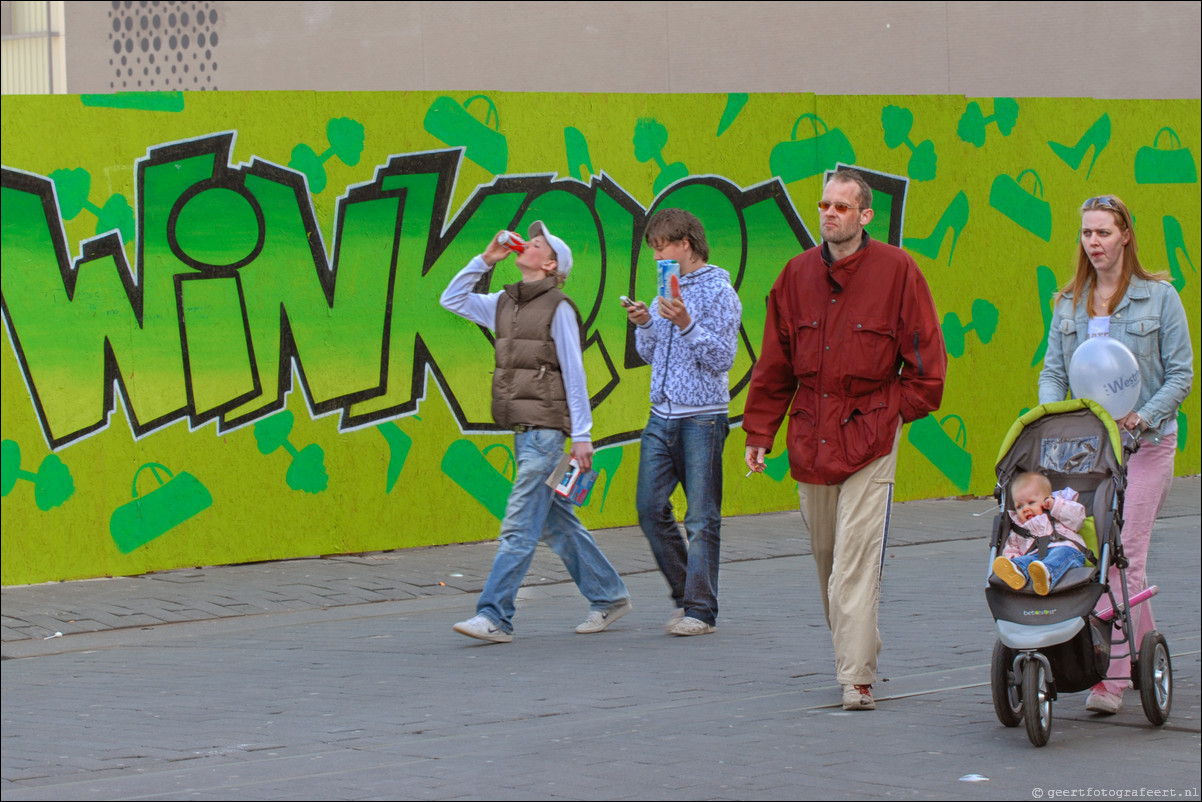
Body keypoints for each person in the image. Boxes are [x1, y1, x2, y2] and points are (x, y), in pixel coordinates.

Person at [742, 168, 947, 710]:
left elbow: (928, 372)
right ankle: (860, 647)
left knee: (855, 560)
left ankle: (855, 678)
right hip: (811, 435)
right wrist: (759, 431)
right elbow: (775, 363)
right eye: (824, 205)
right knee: (827, 558)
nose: (829, 213)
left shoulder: (899, 272)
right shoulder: (794, 276)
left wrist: (891, 414)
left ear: (865, 215)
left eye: (841, 206)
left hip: (872, 435)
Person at [441, 221, 632, 643]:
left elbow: (575, 373)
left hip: (547, 433)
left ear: (549, 264)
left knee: (518, 526)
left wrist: (582, 435)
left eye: (539, 242)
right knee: (554, 524)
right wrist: (487, 259)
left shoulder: (558, 307)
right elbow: (452, 299)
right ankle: (609, 595)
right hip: (523, 431)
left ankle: (494, 615)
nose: (528, 242)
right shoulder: (503, 303)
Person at [1038, 194, 1193, 714]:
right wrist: (1055, 413)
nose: (1094, 243)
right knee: (1094, 551)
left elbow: (1181, 375)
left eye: (1103, 233)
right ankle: (1146, 655)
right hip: (1092, 452)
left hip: (1146, 445)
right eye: (1087, 234)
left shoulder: (1160, 298)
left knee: (1127, 553)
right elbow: (1054, 370)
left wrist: (1143, 415)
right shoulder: (1068, 302)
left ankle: (1114, 675)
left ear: (1125, 234)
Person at [625, 208, 742, 636]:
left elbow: (721, 359)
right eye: (654, 249)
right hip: (661, 414)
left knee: (701, 517)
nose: (656, 257)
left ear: (685, 245)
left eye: (661, 248)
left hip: (702, 420)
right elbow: (652, 354)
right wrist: (644, 324)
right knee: (650, 508)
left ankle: (700, 611)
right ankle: (686, 593)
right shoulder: (665, 289)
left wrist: (686, 323)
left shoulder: (719, 292)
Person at [992, 473, 1087, 596]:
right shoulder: (1019, 528)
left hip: (1067, 551)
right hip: (1035, 558)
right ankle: (1017, 573)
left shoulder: (1057, 513)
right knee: (1026, 561)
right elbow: (1011, 549)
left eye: (1031, 503)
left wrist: (1055, 506)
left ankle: (1046, 573)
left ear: (1047, 498)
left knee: (1060, 554)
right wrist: (1011, 560)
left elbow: (1078, 519)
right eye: (1019, 506)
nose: (1025, 509)